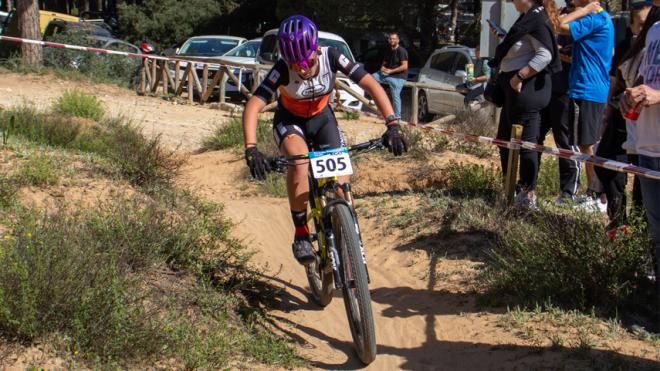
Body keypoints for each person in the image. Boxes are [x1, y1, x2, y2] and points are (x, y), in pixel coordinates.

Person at [242, 15, 407, 265]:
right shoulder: (283, 68)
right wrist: (251, 148)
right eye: (295, 64)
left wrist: (392, 124)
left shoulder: (331, 56)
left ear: (316, 50)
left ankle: (345, 230)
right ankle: (301, 234)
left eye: (306, 61)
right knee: (299, 164)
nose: (302, 69)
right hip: (290, 122)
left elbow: (372, 86)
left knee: (342, 186)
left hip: (322, 119)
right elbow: (254, 104)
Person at [489, 0, 562, 208]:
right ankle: (510, 189)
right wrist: (504, 39)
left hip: (527, 92)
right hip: (513, 94)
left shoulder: (537, 19)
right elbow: (522, 48)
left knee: (526, 145)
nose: (511, 1)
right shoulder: (527, 18)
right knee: (504, 141)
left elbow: (545, 54)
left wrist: (520, 76)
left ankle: (528, 194)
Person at [595, 1, 653, 234]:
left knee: (644, 175)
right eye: (640, 24)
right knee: (607, 164)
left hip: (647, 121)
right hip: (623, 113)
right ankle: (619, 219)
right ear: (632, 25)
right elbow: (615, 79)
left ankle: (641, 226)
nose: (645, 28)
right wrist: (608, 113)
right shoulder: (626, 46)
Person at [558, 0, 615, 207]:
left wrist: (583, 10)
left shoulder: (594, 18)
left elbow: (560, 25)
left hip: (588, 89)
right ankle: (594, 192)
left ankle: (599, 196)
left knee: (587, 143)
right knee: (584, 143)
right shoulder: (598, 19)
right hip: (586, 87)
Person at [620, 1, 660, 279]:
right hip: (649, 145)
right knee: (657, 234)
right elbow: (650, 80)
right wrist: (630, 94)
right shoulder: (655, 30)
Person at [539, 0, 582, 204]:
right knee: (535, 136)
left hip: (566, 90)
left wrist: (553, 51)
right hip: (546, 88)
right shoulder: (559, 15)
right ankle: (527, 187)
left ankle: (568, 191)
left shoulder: (583, 19)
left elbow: (576, 57)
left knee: (565, 141)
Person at [372, 31, 408, 119]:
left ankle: (397, 116)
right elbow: (384, 64)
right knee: (372, 77)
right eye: (390, 39)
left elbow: (404, 66)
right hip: (387, 75)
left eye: (394, 39)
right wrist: (383, 68)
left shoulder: (401, 51)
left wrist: (391, 71)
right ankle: (376, 96)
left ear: (398, 40)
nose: (392, 40)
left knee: (395, 94)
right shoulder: (388, 50)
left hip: (398, 77)